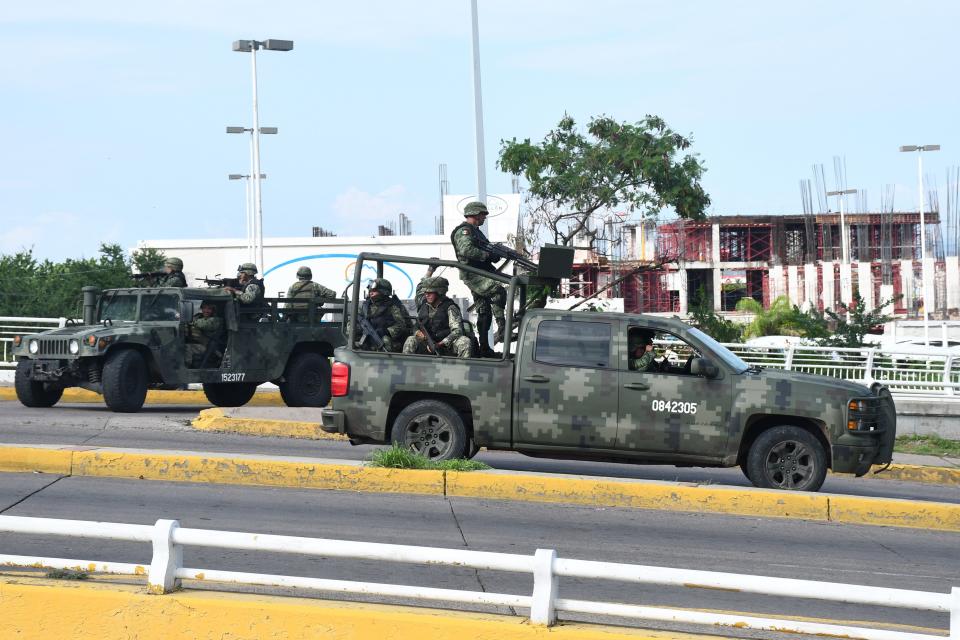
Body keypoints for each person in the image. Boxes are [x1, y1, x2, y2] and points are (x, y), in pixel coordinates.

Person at [450, 201, 506, 357]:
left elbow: (482, 250)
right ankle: (502, 328)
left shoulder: (476, 231)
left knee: (484, 311)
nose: (484, 218)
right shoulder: (465, 231)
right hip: (473, 274)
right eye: (483, 214)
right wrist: (487, 255)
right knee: (497, 291)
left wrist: (494, 255)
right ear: (474, 213)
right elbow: (466, 250)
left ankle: (484, 348)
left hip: (481, 272)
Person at [403, 276, 473, 358]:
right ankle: (407, 369)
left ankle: (461, 369)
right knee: (411, 340)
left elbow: (457, 331)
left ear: (439, 292)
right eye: (425, 292)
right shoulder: (423, 303)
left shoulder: (450, 307)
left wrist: (440, 343)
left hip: (446, 344)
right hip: (427, 342)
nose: (426, 295)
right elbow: (419, 290)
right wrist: (417, 332)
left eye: (430, 292)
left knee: (465, 342)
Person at [356, 278, 410, 352]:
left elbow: (401, 325)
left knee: (385, 340)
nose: (371, 293)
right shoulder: (365, 305)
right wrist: (359, 329)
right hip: (367, 337)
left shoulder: (393, 306)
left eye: (374, 291)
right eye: (370, 290)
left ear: (383, 292)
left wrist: (386, 331)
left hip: (387, 341)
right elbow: (354, 320)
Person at [185, 301, 224, 368]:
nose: (206, 311)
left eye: (209, 309)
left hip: (207, 347)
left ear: (213, 310)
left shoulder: (217, 320)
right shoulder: (198, 317)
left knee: (187, 348)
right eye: (204, 308)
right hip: (197, 343)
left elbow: (204, 324)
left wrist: (189, 320)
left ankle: (186, 369)